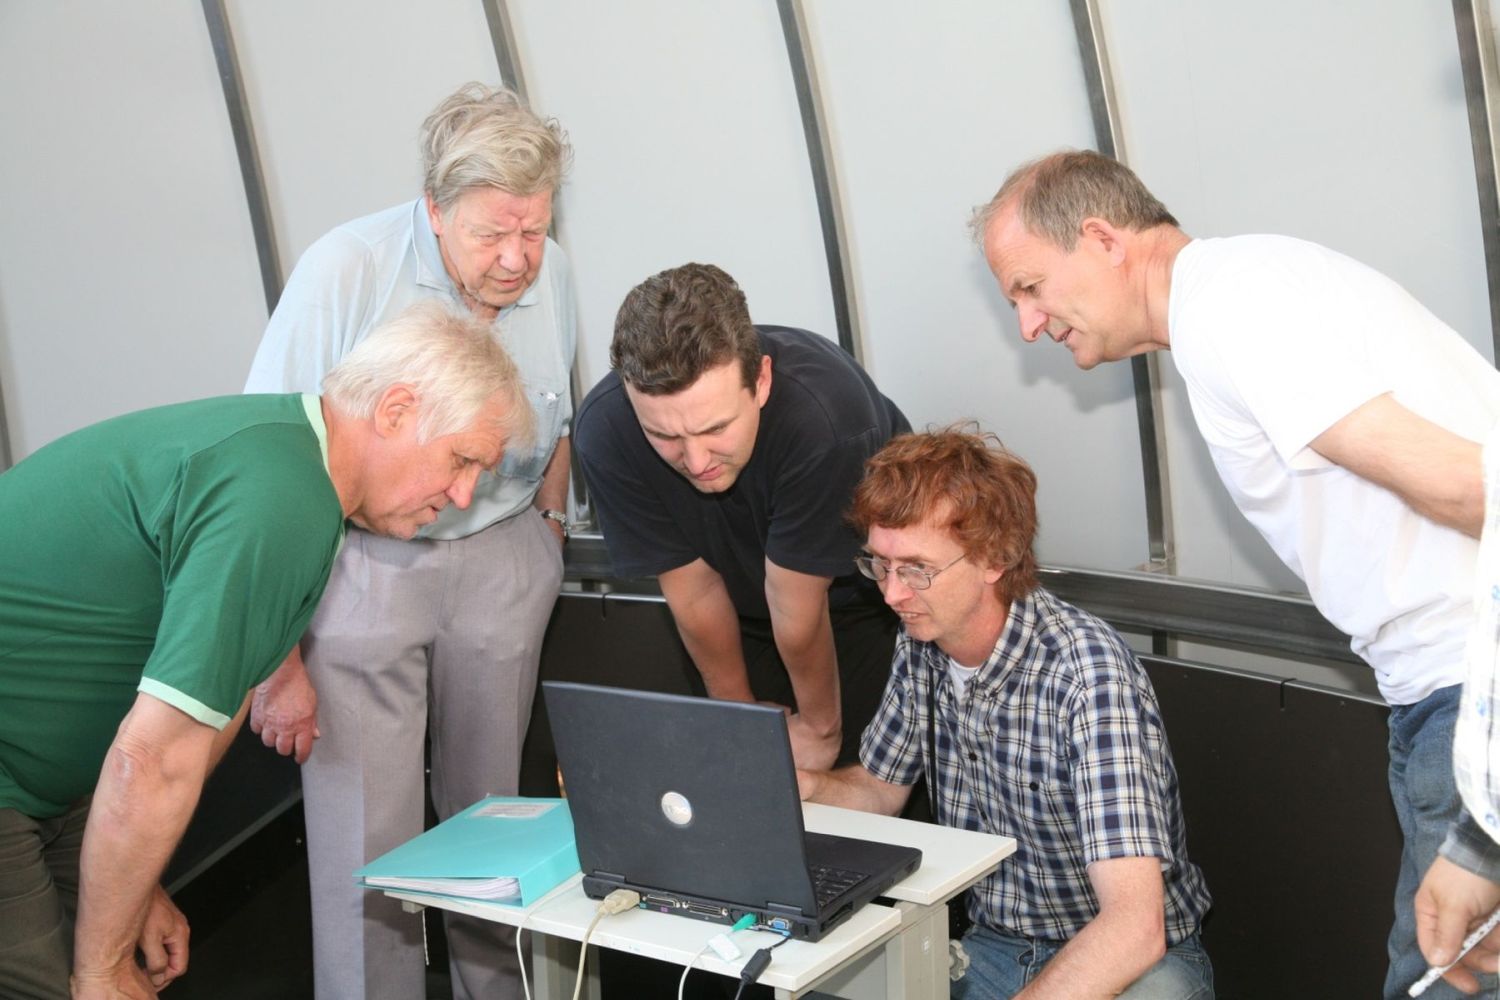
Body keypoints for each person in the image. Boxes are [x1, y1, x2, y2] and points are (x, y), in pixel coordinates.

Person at [973, 148, 1500, 998]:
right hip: (1440, 695)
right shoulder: (1247, 288)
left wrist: (1486, 810)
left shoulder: (1231, 306)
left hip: (1472, 694)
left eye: (1030, 288)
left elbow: (1466, 485)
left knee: (1447, 981)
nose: (1029, 325)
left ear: (1102, 238)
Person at [0, 302, 531, 1000]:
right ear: (396, 411)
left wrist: (136, 884)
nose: (462, 496)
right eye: (461, 461)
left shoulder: (296, 471)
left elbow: (209, 716)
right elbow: (154, 759)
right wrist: (100, 970)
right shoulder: (281, 499)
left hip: (55, 782)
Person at [242, 83, 574, 1000]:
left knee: (494, 826)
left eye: (534, 230)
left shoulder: (553, 269)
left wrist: (548, 531)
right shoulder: (345, 269)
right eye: (492, 235)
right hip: (365, 566)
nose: (517, 259)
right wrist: (275, 662)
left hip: (502, 556)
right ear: (434, 208)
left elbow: (560, 412)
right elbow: (268, 460)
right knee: (366, 834)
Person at [798, 428, 1213, 998]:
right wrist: (801, 787)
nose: (893, 594)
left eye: (917, 569)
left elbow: (1134, 928)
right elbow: (877, 790)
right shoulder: (921, 643)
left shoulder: (1088, 675)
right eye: (881, 565)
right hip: (992, 946)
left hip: (1128, 956)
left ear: (994, 558)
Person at [573, 263, 909, 769]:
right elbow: (694, 592)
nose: (696, 461)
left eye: (715, 429)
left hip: (864, 609)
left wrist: (820, 730)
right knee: (747, 775)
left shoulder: (825, 417)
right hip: (742, 613)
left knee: (859, 781)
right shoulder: (605, 431)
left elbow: (795, 603)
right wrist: (739, 718)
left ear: (762, 380)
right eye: (664, 436)